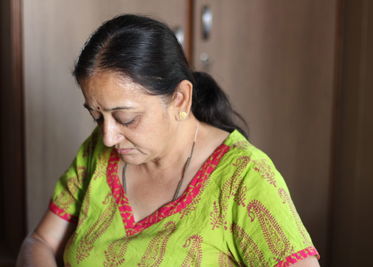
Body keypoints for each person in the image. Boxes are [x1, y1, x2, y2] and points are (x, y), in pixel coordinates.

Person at [17, 14, 320, 266]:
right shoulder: (97, 152)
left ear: (180, 100)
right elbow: (40, 242)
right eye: (97, 116)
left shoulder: (243, 177)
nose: (108, 137)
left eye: (125, 118)